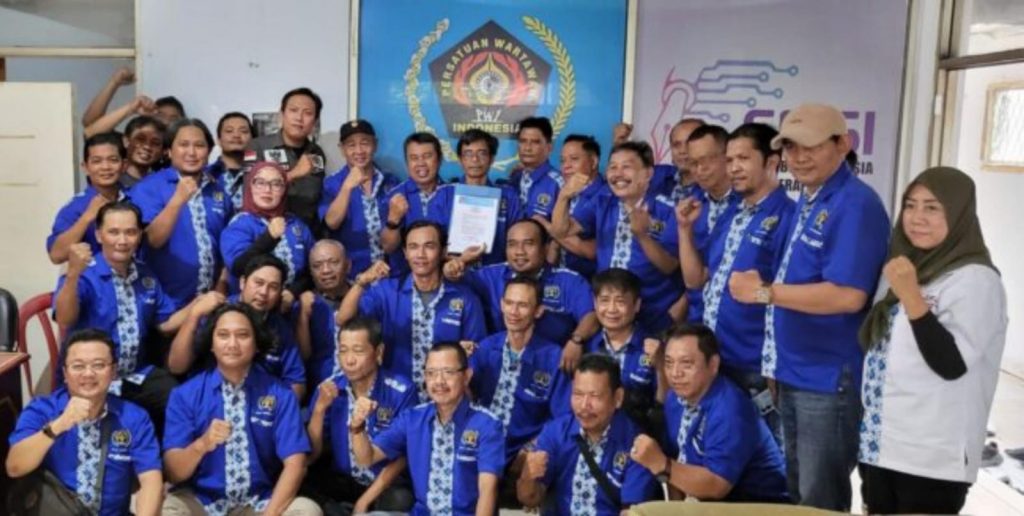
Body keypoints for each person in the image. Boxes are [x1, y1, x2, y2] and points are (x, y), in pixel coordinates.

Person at [728, 103, 890, 511]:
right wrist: (776, 361)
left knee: (820, 499)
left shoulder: (855, 204)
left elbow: (848, 295)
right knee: (800, 493)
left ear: (842, 144)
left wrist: (764, 292)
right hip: (795, 370)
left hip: (827, 376)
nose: (798, 158)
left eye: (811, 147)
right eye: (791, 147)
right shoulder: (810, 197)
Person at [857, 166, 1007, 514]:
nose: (917, 218)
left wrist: (912, 297)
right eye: (910, 205)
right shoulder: (905, 267)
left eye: (932, 207)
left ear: (958, 214)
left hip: (932, 457)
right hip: (882, 444)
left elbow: (951, 364)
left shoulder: (975, 280)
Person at [676, 123, 794, 437]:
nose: (734, 168)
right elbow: (697, 280)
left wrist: (773, 366)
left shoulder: (787, 217)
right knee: (719, 450)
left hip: (755, 366)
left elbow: (787, 299)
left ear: (771, 161)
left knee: (766, 456)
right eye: (729, 160)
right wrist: (684, 230)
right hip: (717, 359)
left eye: (743, 159)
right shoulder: (731, 214)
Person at [53, 201, 202, 433]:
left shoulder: (145, 274)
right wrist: (72, 275)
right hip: (92, 377)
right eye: (113, 232)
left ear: (139, 235)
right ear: (99, 235)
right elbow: (64, 318)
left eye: (130, 232)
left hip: (137, 375)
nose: (122, 241)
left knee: (180, 401)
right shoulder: (84, 273)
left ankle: (168, 455)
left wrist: (198, 306)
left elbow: (165, 323)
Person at [162, 304, 320, 516]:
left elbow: (296, 464)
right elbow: (173, 472)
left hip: (260, 502)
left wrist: (270, 514)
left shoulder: (281, 394)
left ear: (256, 344)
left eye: (243, 335)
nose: (232, 344)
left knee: (307, 510)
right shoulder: (184, 395)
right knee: (167, 510)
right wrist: (202, 444)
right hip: (202, 502)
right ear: (211, 344)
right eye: (223, 335)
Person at [6, 329, 163, 516]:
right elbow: (15, 467)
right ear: (65, 373)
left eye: (98, 365)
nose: (88, 373)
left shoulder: (133, 417)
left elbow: (150, 479)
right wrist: (59, 425)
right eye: (78, 366)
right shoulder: (42, 409)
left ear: (113, 371)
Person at [631, 324, 788, 503]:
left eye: (686, 363)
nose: (675, 373)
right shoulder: (675, 397)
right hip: (705, 501)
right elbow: (677, 460)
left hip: (759, 503)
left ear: (713, 365)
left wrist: (662, 464)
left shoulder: (730, 410)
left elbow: (717, 485)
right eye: (669, 363)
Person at [337, 221, 487, 399]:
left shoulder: (465, 298)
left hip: (445, 397)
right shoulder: (386, 292)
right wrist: (362, 282)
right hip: (394, 399)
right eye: (413, 247)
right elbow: (344, 320)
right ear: (405, 253)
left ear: (443, 251)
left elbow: (477, 354)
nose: (420, 254)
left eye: (429, 246)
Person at [350, 342, 504, 515]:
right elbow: (366, 458)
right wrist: (357, 427)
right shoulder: (413, 418)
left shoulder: (487, 424)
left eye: (448, 372)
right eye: (431, 373)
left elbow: (487, 491)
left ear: (467, 376)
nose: (439, 381)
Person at [551, 141, 682, 334]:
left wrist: (642, 236)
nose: (618, 174)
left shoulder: (668, 210)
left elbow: (669, 265)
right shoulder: (603, 201)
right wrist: (564, 196)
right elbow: (562, 230)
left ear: (648, 173)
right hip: (609, 312)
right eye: (613, 167)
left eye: (626, 167)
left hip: (654, 313)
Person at [444, 218, 598, 371]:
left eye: (528, 243)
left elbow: (591, 315)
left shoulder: (569, 281)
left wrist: (576, 340)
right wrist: (455, 265)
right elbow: (451, 279)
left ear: (545, 248)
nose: (519, 252)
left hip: (553, 366)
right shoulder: (492, 276)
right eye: (512, 244)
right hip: (499, 367)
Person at [517, 353, 659, 515]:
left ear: (618, 398)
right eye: (578, 394)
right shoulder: (556, 432)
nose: (584, 405)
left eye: (595, 396)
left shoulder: (638, 446)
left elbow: (633, 512)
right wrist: (528, 476)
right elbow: (530, 499)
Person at [305, 317, 416, 514]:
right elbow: (312, 455)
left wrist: (364, 501)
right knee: (303, 481)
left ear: (379, 352)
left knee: (401, 499)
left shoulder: (402, 391)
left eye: (358, 351)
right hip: (343, 480)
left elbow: (402, 457)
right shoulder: (329, 388)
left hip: (383, 484)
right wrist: (319, 410)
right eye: (343, 351)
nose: (349, 360)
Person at [168, 255, 306, 400]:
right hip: (209, 400)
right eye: (258, 283)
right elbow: (176, 366)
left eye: (273, 287)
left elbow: (297, 382)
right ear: (242, 282)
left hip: (262, 402)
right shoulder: (214, 312)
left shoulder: (280, 327)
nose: (263, 292)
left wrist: (273, 409)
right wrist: (194, 316)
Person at [130, 118, 233, 309]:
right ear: (169, 151)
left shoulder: (218, 190)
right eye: (184, 145)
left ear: (209, 151)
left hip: (210, 302)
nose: (192, 152)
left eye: (199, 145)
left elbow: (226, 245)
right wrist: (177, 200)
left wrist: (221, 286)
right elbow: (151, 240)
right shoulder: (148, 188)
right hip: (164, 305)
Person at [468, 277, 571, 466]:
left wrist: (532, 448)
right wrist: (458, 365)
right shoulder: (486, 347)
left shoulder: (554, 357)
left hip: (524, 454)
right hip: (481, 446)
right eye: (509, 303)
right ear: (501, 304)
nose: (513, 312)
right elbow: (466, 398)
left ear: (538, 310)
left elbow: (563, 418)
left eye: (522, 305)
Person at [220, 161, 315, 299]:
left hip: (291, 304)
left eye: (276, 184)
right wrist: (269, 237)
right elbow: (238, 267)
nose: (267, 190)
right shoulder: (240, 223)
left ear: (284, 190)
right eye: (260, 182)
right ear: (250, 187)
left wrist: (293, 292)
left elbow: (313, 270)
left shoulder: (296, 224)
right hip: (249, 305)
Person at [431, 128, 522, 266]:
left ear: (492, 159)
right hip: (454, 272)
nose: (475, 159)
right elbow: (430, 244)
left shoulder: (509, 196)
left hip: (496, 273)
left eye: (482, 153)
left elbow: (519, 241)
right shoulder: (443, 195)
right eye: (468, 154)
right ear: (460, 160)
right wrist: (458, 260)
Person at [320, 119, 399, 278]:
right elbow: (331, 223)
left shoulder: (391, 181)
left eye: (365, 143)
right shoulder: (331, 184)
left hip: (391, 275)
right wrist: (347, 187)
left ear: (375, 145)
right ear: (342, 149)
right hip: (353, 275)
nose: (359, 150)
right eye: (351, 145)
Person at [244, 87, 328, 234]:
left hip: (306, 234)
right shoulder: (258, 146)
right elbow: (250, 193)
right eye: (293, 110)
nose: (299, 118)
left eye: (307, 113)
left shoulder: (316, 153)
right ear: (282, 114)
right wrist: (294, 173)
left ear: (314, 121)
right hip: (268, 234)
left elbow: (316, 196)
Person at [584, 269, 659, 426]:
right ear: (595, 303)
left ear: (637, 305)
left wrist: (661, 367)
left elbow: (663, 404)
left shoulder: (653, 349)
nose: (612, 309)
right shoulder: (587, 345)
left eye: (620, 301)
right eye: (604, 300)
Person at [682, 124, 740, 323]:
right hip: (699, 317)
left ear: (727, 156)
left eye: (707, 160)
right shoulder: (690, 205)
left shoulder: (750, 204)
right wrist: (684, 228)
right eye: (693, 163)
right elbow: (693, 281)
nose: (700, 169)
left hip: (738, 322)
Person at [47, 131, 130, 264]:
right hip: (94, 276)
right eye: (97, 161)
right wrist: (87, 217)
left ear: (124, 165)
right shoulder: (76, 207)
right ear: (85, 167)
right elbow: (56, 255)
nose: (105, 167)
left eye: (113, 160)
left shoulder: (135, 197)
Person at [380, 132, 449, 276]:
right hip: (404, 279)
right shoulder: (393, 197)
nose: (421, 163)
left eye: (427, 156)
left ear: (439, 159)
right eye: (414, 158)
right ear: (407, 163)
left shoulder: (454, 194)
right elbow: (388, 247)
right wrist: (393, 220)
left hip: (448, 277)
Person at [544, 134, 606, 279]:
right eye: (562, 160)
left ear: (593, 162)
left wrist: (545, 224)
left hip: (589, 281)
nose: (566, 166)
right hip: (562, 277)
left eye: (574, 159)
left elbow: (561, 232)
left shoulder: (602, 195)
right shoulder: (569, 189)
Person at [295, 239, 352, 386]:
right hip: (322, 387)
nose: (326, 270)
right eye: (317, 266)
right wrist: (303, 316)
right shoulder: (307, 303)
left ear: (348, 265)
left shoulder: (367, 297)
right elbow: (304, 356)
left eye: (333, 262)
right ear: (311, 272)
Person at [508, 116, 563, 219]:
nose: (527, 148)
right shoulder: (515, 177)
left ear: (549, 147)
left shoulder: (559, 183)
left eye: (535, 142)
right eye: (523, 141)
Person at [209, 112, 255, 210]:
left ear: (253, 139)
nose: (236, 135)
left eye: (243, 131)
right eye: (229, 131)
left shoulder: (262, 174)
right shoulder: (206, 175)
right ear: (218, 140)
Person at [653, 118, 705, 203]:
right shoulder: (657, 175)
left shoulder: (715, 188)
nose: (682, 151)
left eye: (689, 144)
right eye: (676, 145)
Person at [120, 116, 167, 188]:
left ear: (163, 151)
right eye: (140, 139)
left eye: (155, 143)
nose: (147, 147)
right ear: (126, 141)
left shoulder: (163, 185)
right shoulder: (111, 179)